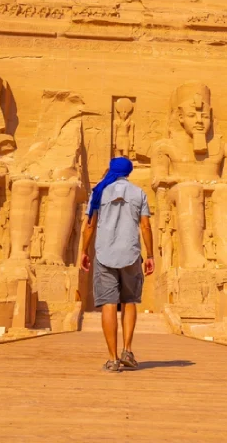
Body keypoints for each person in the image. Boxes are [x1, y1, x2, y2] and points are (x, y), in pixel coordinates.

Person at [80, 157, 155, 373]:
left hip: (104, 253)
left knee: (109, 304)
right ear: (128, 172)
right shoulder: (138, 193)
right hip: (131, 253)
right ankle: (127, 351)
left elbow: (89, 226)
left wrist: (84, 251)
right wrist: (150, 255)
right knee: (129, 301)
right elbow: (146, 226)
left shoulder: (99, 192)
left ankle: (112, 359)